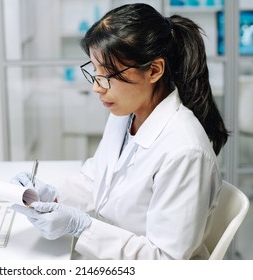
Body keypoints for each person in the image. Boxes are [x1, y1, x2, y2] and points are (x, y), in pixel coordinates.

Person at [12, 3, 229, 260]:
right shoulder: (125, 115)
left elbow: (166, 261)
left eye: (108, 75)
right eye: (95, 72)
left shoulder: (185, 151)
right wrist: (53, 196)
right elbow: (97, 180)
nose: (97, 87)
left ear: (154, 70)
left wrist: (82, 227)